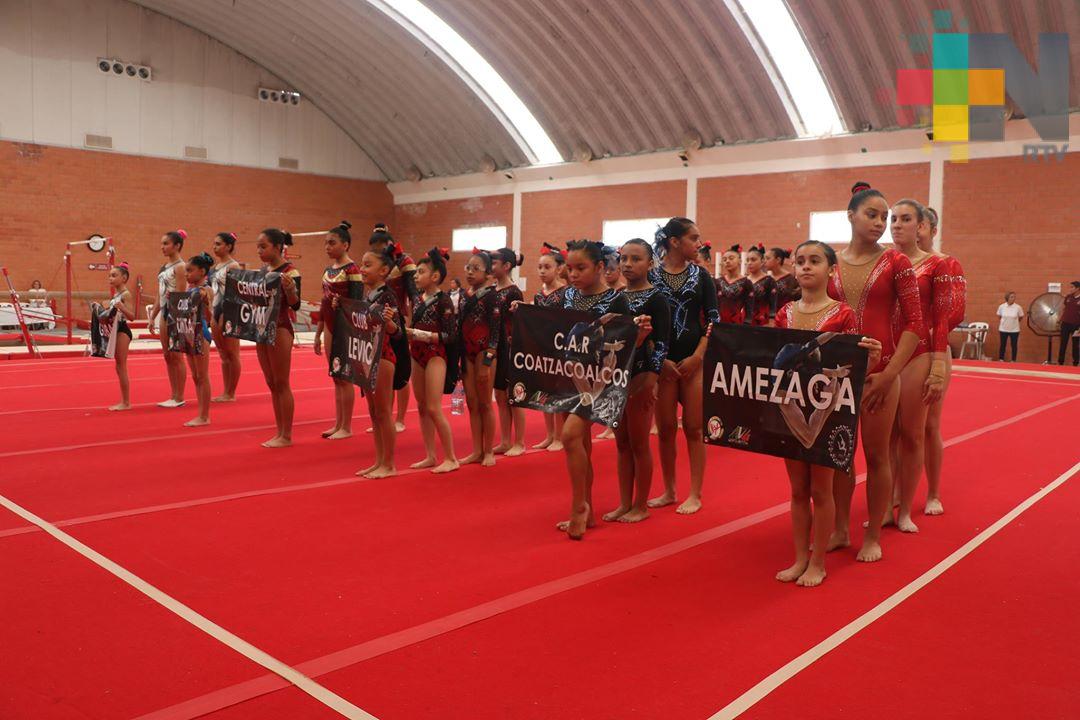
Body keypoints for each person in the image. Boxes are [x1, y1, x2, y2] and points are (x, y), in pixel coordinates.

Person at [775, 240, 881, 587]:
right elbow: (769, 358)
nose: (806, 267)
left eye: (815, 261)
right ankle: (799, 558)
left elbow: (853, 365)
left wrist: (873, 357)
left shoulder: (843, 313)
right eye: (800, 261)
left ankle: (818, 561)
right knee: (796, 489)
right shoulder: (785, 313)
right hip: (791, 407)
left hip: (828, 409)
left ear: (831, 270)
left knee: (822, 489)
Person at [827, 182, 922, 563]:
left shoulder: (896, 263)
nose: (881, 223)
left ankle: (872, 536)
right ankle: (837, 528)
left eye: (885, 217)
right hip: (834, 375)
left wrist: (890, 373)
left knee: (877, 454)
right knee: (838, 455)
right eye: (872, 214)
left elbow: (916, 324)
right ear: (850, 216)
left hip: (878, 372)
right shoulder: (830, 262)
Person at [557, 239, 650, 539]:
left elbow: (625, 345)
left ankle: (577, 507)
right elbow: (555, 332)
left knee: (569, 436)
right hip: (570, 377)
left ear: (599, 267)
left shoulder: (616, 300)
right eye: (569, 268)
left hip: (600, 380)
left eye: (581, 268)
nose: (573, 274)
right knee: (580, 443)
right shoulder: (568, 297)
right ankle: (589, 508)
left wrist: (639, 337)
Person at [647, 217, 719, 515]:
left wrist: (699, 356)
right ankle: (669, 489)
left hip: (694, 361)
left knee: (693, 427)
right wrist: (657, 359)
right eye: (693, 238)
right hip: (662, 362)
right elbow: (643, 322)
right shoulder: (651, 277)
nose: (698, 243)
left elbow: (713, 320)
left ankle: (695, 492)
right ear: (674, 241)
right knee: (665, 429)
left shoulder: (701, 277)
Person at [888, 199, 949, 534]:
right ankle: (892, 496)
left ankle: (933, 492)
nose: (897, 225)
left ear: (922, 225)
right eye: (893, 219)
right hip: (889, 352)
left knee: (924, 429)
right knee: (889, 435)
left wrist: (938, 365)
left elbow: (945, 318)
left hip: (925, 351)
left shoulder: (939, 264)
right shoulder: (883, 262)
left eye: (906, 219)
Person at [604, 239, 670, 524]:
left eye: (636, 259)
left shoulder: (657, 298)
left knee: (640, 442)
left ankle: (641, 505)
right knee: (621, 443)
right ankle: (624, 502)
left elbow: (664, 343)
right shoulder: (618, 297)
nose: (628, 264)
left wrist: (653, 379)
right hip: (619, 375)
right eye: (624, 259)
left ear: (650, 263)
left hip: (642, 375)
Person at [916, 206, 957, 516]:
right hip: (902, 349)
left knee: (930, 425)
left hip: (934, 348)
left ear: (932, 229)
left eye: (920, 224)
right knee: (898, 431)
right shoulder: (896, 263)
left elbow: (955, 312)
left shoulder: (947, 263)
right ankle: (895, 494)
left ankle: (933, 492)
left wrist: (933, 346)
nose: (913, 229)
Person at [406, 247, 460, 473]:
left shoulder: (444, 301)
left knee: (434, 407)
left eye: (420, 272)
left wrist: (422, 335)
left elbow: (450, 336)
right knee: (421, 407)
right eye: (416, 272)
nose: (416, 276)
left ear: (435, 276)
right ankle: (430, 455)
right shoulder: (417, 299)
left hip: (436, 355)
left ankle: (451, 457)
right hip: (416, 354)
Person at [355, 246, 402, 478]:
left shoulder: (388, 295)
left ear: (383, 270)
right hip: (368, 356)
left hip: (383, 357)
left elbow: (397, 332)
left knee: (383, 411)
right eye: (362, 264)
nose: (362, 269)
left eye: (367, 265)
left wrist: (390, 322)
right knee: (373, 413)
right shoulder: (368, 294)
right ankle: (379, 460)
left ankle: (390, 464)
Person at [314, 222, 362, 440]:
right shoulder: (328, 270)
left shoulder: (353, 270)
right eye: (325, 243)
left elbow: (357, 303)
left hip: (346, 327)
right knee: (336, 376)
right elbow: (324, 303)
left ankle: (347, 426)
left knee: (345, 376)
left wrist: (352, 329)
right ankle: (338, 423)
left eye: (332, 243)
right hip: (330, 326)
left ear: (345, 245)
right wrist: (318, 332)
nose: (327, 247)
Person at [254, 228, 301, 448]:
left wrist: (291, 291)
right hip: (261, 327)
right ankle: (279, 430)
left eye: (263, 246)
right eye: (258, 246)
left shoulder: (290, 272)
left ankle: (287, 434)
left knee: (282, 382)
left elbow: (295, 304)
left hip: (280, 327)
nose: (259, 250)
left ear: (277, 247)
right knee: (271, 382)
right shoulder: (263, 271)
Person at [370, 224, 416, 433]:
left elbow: (414, 293)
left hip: (400, 319)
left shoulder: (404, 261)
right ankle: (385, 415)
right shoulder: (376, 264)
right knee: (384, 373)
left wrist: (412, 323)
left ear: (388, 244)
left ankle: (400, 418)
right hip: (381, 320)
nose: (378, 252)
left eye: (380, 248)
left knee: (400, 372)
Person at [458, 249, 501, 467]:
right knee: (472, 403)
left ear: (488, 274)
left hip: (485, 352)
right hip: (467, 352)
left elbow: (495, 332)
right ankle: (476, 450)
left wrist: (487, 362)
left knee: (485, 403)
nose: (471, 272)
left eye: (476, 269)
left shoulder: (492, 296)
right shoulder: (464, 295)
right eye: (468, 268)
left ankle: (488, 451)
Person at [490, 248, 527, 456]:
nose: (491, 266)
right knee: (500, 395)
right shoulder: (493, 291)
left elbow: (518, 322)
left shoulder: (513, 291)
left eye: (494, 263)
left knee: (514, 396)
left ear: (506, 266)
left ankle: (520, 441)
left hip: (511, 347)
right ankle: (505, 440)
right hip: (497, 348)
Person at [532, 242, 569, 451]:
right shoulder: (539, 295)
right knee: (544, 393)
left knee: (558, 393)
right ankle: (549, 435)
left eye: (547, 267)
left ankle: (559, 437)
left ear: (558, 269)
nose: (542, 271)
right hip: (543, 348)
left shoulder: (566, 293)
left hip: (561, 348)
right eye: (540, 267)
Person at [149, 230, 188, 408]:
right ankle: (173, 394)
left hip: (175, 313)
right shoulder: (164, 268)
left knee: (176, 355)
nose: (162, 247)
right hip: (164, 312)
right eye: (162, 243)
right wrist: (152, 316)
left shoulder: (181, 267)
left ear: (177, 245)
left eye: (166, 243)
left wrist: (176, 318)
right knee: (167, 355)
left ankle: (179, 396)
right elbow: (160, 294)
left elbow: (181, 294)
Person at [181, 253, 215, 427]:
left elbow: (210, 317)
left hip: (201, 333)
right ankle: (201, 413)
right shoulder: (190, 288)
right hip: (188, 332)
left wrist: (207, 302)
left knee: (202, 375)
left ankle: (204, 416)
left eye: (190, 270)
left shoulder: (205, 290)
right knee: (195, 376)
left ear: (202, 271)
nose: (186, 274)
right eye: (186, 270)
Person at [208, 232, 242, 402]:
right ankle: (225, 391)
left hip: (229, 312)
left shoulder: (233, 266)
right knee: (222, 353)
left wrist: (226, 316)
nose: (214, 247)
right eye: (214, 244)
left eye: (218, 244)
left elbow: (236, 295)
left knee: (232, 353)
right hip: (216, 310)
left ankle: (231, 392)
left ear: (228, 246)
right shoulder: (214, 268)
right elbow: (213, 293)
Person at [106, 263, 135, 411]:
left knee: (122, 366)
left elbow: (132, 316)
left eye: (114, 275)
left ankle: (126, 402)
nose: (110, 278)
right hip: (115, 330)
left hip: (123, 330)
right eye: (109, 276)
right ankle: (124, 400)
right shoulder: (116, 294)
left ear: (124, 278)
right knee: (118, 367)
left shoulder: (126, 294)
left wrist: (122, 307)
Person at [717, 244, 752, 324]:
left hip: (737, 325)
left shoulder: (746, 283)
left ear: (740, 261)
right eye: (724, 259)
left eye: (731, 258)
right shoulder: (717, 282)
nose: (727, 261)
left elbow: (749, 308)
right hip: (718, 324)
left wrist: (747, 323)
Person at [746, 244, 776, 327]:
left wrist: (771, 322)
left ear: (762, 261)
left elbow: (773, 303)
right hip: (745, 320)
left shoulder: (769, 281)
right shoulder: (744, 281)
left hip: (763, 321)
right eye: (747, 260)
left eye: (753, 260)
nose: (749, 263)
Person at [766, 247, 800, 315]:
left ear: (778, 260)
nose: (764, 261)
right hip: (765, 318)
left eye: (768, 258)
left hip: (784, 316)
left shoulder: (791, 279)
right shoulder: (766, 279)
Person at [996, 291, 1024, 362]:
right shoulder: (1001, 306)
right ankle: (1001, 359)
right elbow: (999, 316)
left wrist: (1014, 322)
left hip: (1014, 330)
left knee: (1014, 345)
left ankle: (1013, 360)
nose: (1013, 298)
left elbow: (1021, 317)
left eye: (1014, 297)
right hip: (1003, 329)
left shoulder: (1018, 307)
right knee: (1003, 345)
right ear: (1007, 298)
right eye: (1011, 297)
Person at [1057, 281, 1079, 366]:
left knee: (1075, 344)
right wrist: (1059, 319)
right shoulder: (1068, 297)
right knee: (1063, 343)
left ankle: (1075, 363)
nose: (1070, 289)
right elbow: (1064, 309)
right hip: (1065, 324)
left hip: (1076, 325)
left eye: (1072, 287)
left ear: (1077, 289)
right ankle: (1060, 362)